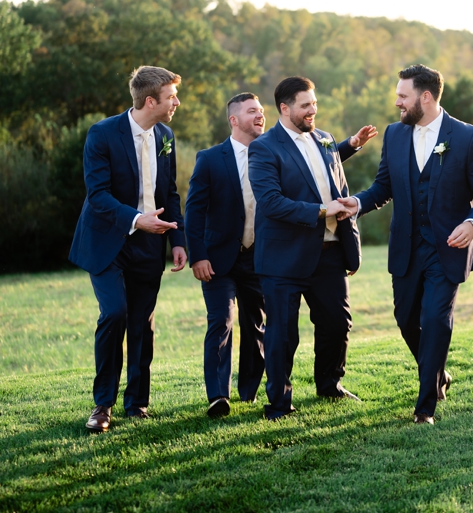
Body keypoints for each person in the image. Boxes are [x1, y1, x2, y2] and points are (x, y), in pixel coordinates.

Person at [342, 64, 473, 425]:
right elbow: (384, 187)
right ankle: (438, 371)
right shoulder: (395, 135)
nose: (397, 102)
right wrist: (360, 202)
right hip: (406, 247)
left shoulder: (465, 135)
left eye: (402, 96)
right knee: (406, 319)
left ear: (425, 97)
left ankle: (425, 404)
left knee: (435, 318)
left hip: (449, 247)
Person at [247, 76, 375, 420]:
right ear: (284, 108)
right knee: (283, 334)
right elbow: (271, 202)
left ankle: (329, 385)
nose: (312, 111)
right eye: (305, 105)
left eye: (314, 104)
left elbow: (319, 168)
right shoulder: (263, 147)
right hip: (283, 257)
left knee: (337, 323)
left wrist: (352, 145)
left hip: (331, 251)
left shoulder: (325, 139)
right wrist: (321, 210)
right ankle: (279, 402)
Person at [69, 65, 188, 433]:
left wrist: (178, 241)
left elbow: (170, 192)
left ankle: (137, 402)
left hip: (151, 245)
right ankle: (102, 405)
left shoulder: (165, 135)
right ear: (150, 100)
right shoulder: (102, 134)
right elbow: (98, 195)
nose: (176, 103)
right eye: (171, 97)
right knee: (115, 314)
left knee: (142, 323)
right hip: (108, 241)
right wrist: (138, 219)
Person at [183, 93, 268, 419]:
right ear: (234, 120)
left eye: (261, 111)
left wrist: (349, 146)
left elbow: (312, 161)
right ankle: (218, 396)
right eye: (252, 112)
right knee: (221, 322)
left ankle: (247, 392)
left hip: (258, 258)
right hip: (218, 259)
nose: (260, 116)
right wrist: (197, 256)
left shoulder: (271, 153)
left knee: (256, 326)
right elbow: (194, 211)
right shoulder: (210, 158)